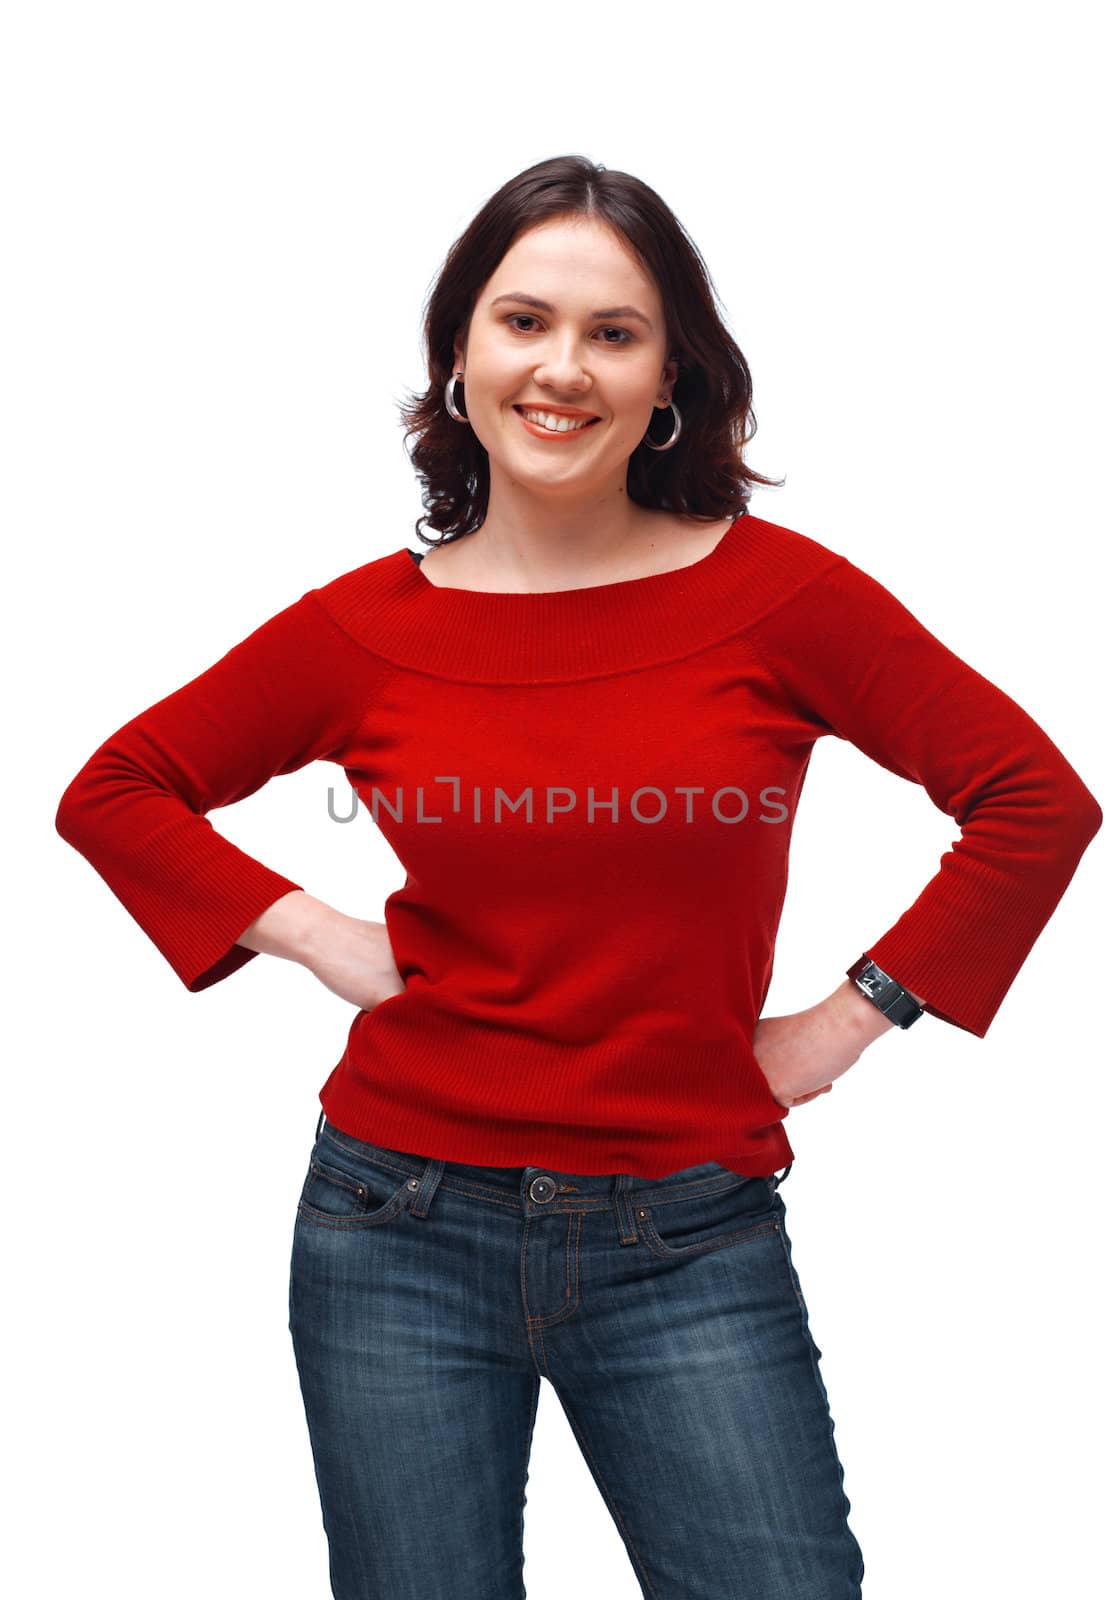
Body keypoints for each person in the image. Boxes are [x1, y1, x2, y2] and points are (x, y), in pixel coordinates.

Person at [55, 154, 1101, 1600]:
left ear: (673, 373)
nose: (564, 369)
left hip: (687, 1230)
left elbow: (1034, 799)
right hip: (391, 1231)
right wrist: (308, 931)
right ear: (462, 358)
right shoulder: (362, 631)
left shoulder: (782, 598)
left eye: (615, 333)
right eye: (524, 322)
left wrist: (849, 1021)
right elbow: (115, 791)